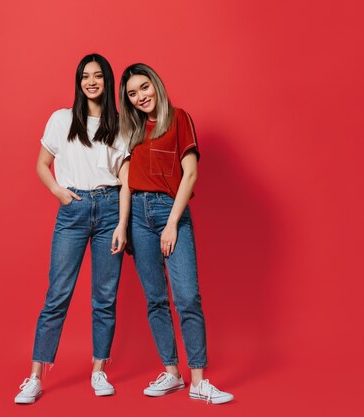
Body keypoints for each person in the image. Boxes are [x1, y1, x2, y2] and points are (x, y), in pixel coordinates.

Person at [14, 54, 130, 404]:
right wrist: (59, 193)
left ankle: (98, 370)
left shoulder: (121, 124)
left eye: (97, 76)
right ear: (78, 82)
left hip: (110, 208)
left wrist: (123, 224)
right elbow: (42, 163)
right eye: (85, 76)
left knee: (104, 296)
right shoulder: (62, 119)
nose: (91, 81)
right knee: (58, 293)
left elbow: (126, 180)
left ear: (108, 82)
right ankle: (34, 376)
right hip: (74, 208)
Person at [118, 63, 233, 404]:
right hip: (137, 216)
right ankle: (172, 374)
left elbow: (191, 174)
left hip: (171, 213)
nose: (141, 97)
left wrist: (171, 223)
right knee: (155, 299)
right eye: (132, 94)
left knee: (187, 298)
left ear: (156, 83)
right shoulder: (132, 130)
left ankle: (198, 381)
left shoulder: (179, 118)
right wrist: (122, 226)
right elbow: (125, 182)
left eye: (144, 87)